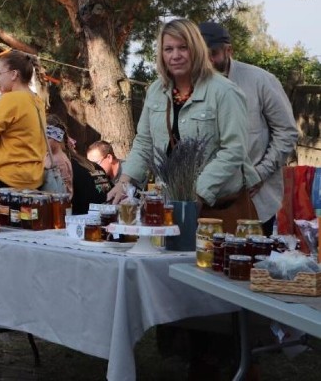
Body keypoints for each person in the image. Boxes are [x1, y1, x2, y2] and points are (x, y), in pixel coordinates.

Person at [107, 19, 261, 232]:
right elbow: (144, 142)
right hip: (170, 208)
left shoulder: (225, 91)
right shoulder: (155, 91)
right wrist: (124, 182)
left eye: (183, 48)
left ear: (197, 49)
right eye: (168, 49)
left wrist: (197, 193)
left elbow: (234, 150)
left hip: (219, 212)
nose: (175, 55)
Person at [199, 21, 299, 236]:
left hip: (255, 198)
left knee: (249, 266)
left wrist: (260, 173)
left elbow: (287, 131)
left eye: (213, 53)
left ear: (229, 50)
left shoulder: (260, 80)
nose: (208, 61)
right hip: (204, 201)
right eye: (201, 54)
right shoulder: (189, 84)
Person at [0, 50, 47, 191]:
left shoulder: (11, 99)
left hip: (8, 179)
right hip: (34, 179)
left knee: (4, 214)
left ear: (14, 74)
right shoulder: (37, 101)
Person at [45, 115, 73, 195]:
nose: (44, 141)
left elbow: (64, 191)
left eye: (48, 137)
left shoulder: (59, 160)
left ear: (56, 138)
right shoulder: (48, 156)